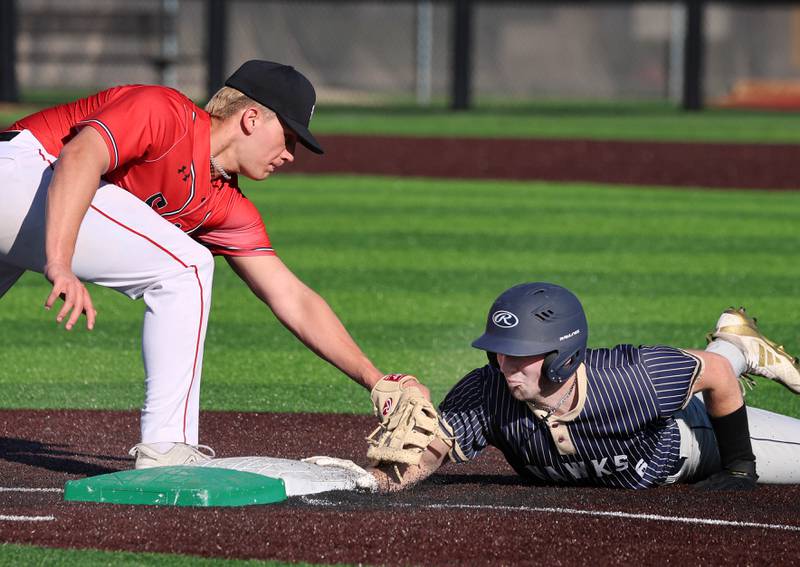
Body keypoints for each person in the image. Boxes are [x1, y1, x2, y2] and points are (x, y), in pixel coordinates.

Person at [0, 60, 426, 469]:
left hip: (22, 203)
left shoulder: (223, 204)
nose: (292, 154)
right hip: (21, 172)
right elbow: (78, 156)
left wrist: (376, 380)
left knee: (184, 264)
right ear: (252, 118)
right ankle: (168, 448)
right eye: (290, 136)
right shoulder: (165, 112)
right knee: (185, 268)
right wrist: (59, 262)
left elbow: (290, 296)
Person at [368, 282, 800, 491]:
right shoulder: (485, 393)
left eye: (520, 354)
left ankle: (735, 346)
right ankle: (735, 340)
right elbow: (425, 456)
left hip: (690, 441)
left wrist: (739, 465)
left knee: (714, 368)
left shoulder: (632, 377)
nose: (504, 365)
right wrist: (374, 480)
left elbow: (716, 377)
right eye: (498, 351)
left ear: (563, 356)